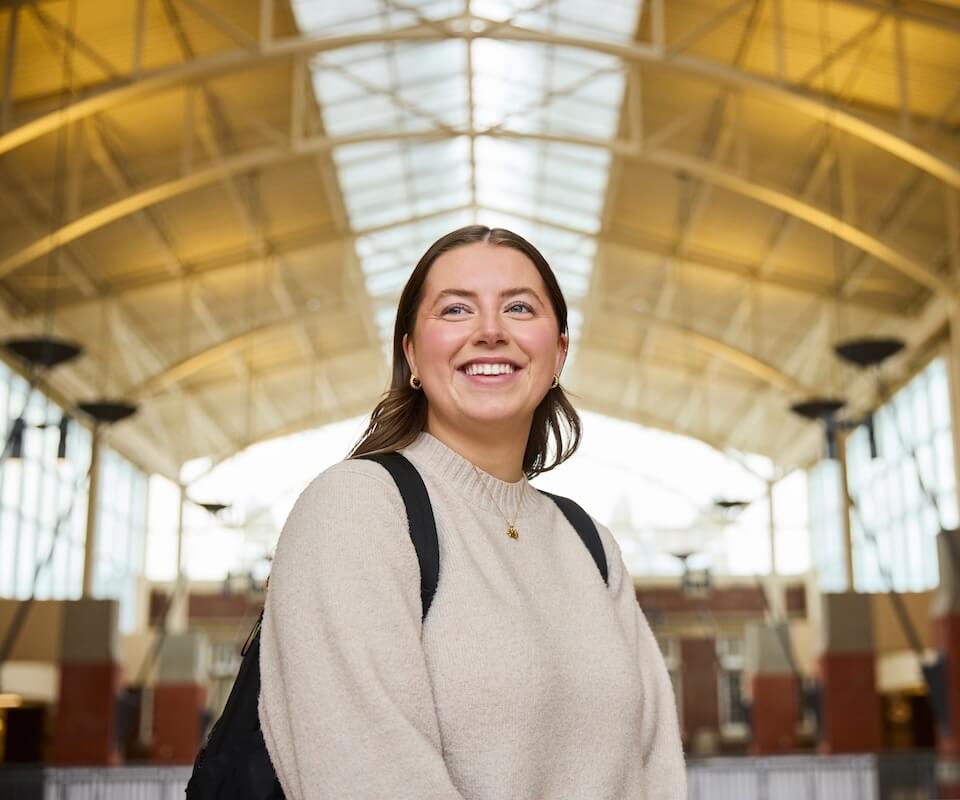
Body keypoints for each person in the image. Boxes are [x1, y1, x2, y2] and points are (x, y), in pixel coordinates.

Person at [258, 225, 686, 799]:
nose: (490, 332)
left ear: (558, 352)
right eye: (456, 309)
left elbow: (654, 770)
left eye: (518, 307)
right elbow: (367, 776)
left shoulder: (591, 545)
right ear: (411, 351)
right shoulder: (357, 507)